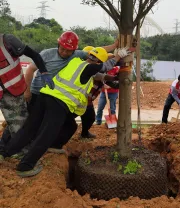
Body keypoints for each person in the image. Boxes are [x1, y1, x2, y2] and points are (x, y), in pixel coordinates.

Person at [0, 47, 116, 177]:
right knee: (46, 135)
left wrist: (111, 78)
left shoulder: (75, 62)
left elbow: (99, 74)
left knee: (28, 129)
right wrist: (118, 57)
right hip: (58, 103)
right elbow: (105, 67)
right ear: (99, 62)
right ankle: (25, 166)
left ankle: (3, 153)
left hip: (45, 95)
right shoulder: (91, 68)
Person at [24, 32, 120, 139]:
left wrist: (114, 47)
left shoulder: (77, 56)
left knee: (51, 122)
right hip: (38, 93)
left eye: (68, 51)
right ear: (58, 45)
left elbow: (96, 52)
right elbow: (30, 70)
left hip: (56, 95)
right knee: (33, 121)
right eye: (62, 49)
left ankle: (45, 143)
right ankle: (23, 143)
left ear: (74, 50)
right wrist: (27, 91)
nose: (64, 52)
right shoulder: (47, 54)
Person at [0, 33, 54, 152]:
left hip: (13, 91)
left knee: (19, 123)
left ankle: (20, 152)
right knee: (15, 123)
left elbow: (34, 55)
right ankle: (11, 150)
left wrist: (44, 72)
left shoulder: (7, 41)